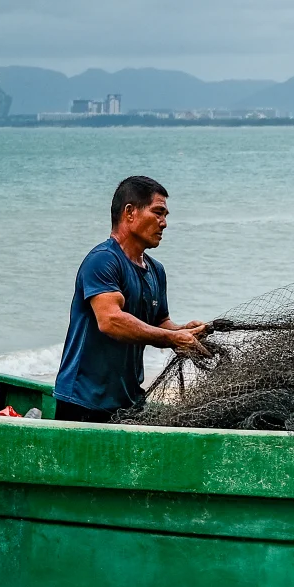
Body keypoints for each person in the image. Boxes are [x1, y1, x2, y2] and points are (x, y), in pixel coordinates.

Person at [53, 176, 208, 423]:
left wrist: (183, 332)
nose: (164, 223)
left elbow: (160, 323)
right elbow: (110, 321)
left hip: (129, 403)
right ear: (130, 213)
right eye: (158, 212)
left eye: (166, 215)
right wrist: (171, 338)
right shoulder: (103, 260)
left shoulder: (156, 271)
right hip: (84, 402)